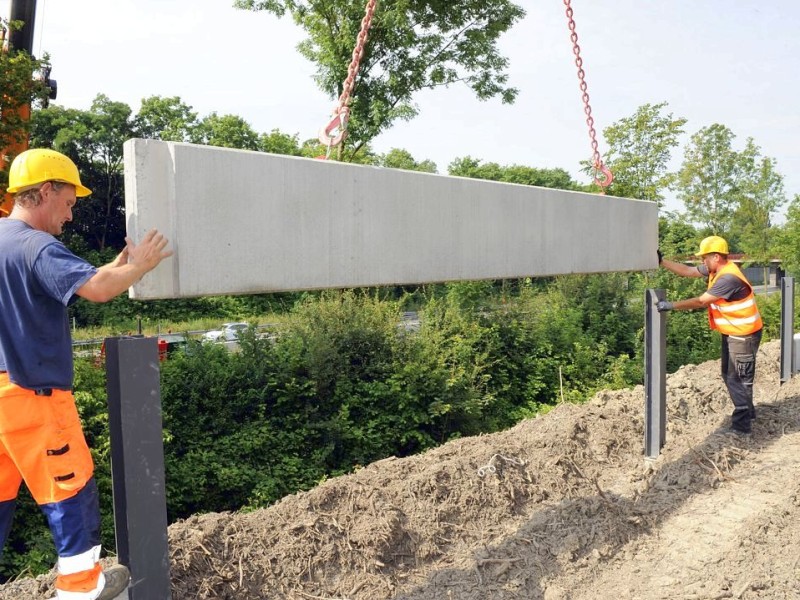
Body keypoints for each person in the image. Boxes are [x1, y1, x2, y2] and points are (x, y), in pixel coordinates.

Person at [0, 148, 172, 599]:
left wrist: (117, 266)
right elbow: (94, 291)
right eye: (70, 201)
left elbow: (76, 279)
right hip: (31, 395)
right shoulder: (36, 245)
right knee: (69, 488)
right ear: (45, 191)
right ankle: (80, 589)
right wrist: (141, 266)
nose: (72, 215)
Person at [656, 235, 763, 435]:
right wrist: (662, 262)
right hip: (735, 333)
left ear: (716, 257)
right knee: (732, 376)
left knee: (737, 379)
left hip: (744, 336)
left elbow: (701, 301)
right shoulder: (717, 269)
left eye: (704, 257)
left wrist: (670, 305)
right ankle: (748, 415)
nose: (702, 262)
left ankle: (742, 428)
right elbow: (688, 271)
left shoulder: (728, 278)